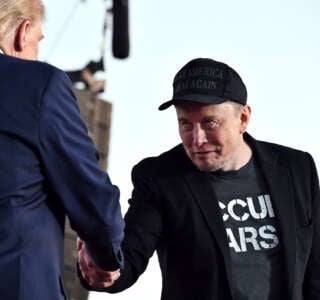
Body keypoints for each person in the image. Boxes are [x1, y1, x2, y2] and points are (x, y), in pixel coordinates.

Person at [0, 1, 124, 299]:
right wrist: (105, 255)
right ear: (23, 32)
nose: (35, 53)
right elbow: (90, 193)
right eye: (38, 42)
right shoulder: (39, 84)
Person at [78, 58, 320, 299]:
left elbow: (315, 268)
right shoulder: (161, 178)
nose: (196, 140)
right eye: (185, 123)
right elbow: (129, 257)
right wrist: (104, 267)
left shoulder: (295, 168)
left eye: (209, 122)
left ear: (243, 118)